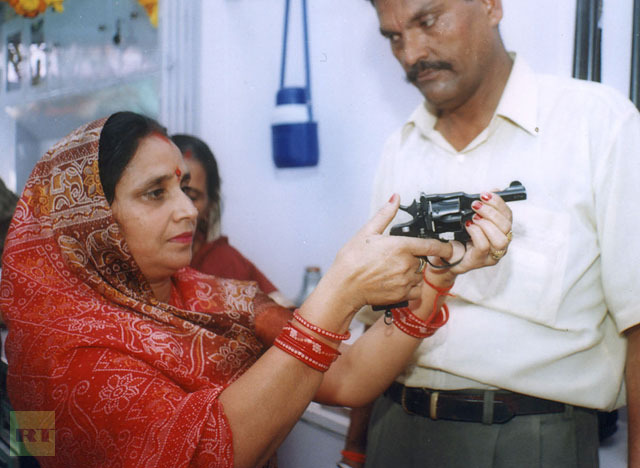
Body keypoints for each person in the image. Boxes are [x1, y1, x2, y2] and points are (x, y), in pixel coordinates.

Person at [0, 111, 511, 468]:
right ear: (91, 222)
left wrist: (437, 279)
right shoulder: (60, 352)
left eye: (183, 187)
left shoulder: (210, 295)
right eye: (156, 193)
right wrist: (338, 290)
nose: (187, 210)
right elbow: (211, 453)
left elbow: (348, 378)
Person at [339, 0, 640, 467]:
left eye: (428, 20)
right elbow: (373, 322)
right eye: (393, 37)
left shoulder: (597, 124)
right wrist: (354, 452)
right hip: (393, 428)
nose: (411, 52)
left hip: (530, 439)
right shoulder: (399, 149)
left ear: (490, 6)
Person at [170, 134, 294, 308]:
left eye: (190, 196)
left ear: (209, 207)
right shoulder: (138, 261)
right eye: (159, 193)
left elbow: (283, 318)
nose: (179, 208)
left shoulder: (224, 263)